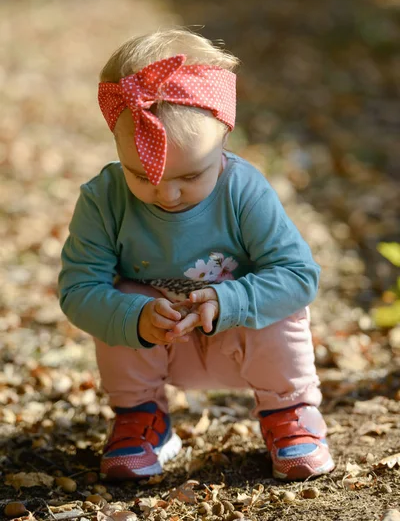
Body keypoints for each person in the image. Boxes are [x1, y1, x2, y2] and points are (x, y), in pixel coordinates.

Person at [58, 27, 335, 482]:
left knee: (278, 302)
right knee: (118, 294)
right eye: (140, 174)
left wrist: (232, 301)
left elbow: (298, 275)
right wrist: (135, 315)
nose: (166, 193)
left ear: (224, 138)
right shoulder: (103, 199)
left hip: (243, 338)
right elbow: (78, 289)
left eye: (190, 175)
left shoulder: (242, 190)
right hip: (159, 342)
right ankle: (142, 418)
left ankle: (289, 413)